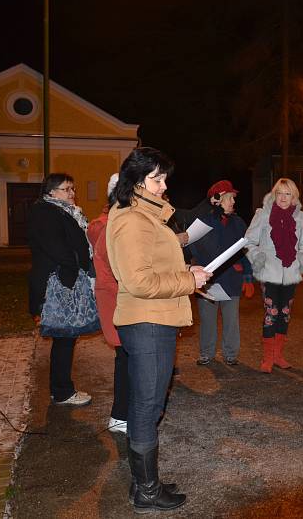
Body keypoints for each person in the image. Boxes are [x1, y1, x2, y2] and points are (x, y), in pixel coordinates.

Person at [106, 147, 211, 513]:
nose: (164, 185)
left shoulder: (146, 216)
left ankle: (145, 482)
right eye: (157, 178)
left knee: (147, 402)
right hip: (147, 320)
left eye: (165, 178)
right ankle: (146, 491)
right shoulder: (133, 220)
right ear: (136, 181)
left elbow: (153, 267)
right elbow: (138, 281)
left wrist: (188, 276)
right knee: (148, 405)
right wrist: (187, 279)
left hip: (155, 318)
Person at [27, 173, 93, 407]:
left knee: (66, 337)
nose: (72, 193)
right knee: (64, 337)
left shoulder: (62, 210)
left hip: (65, 280)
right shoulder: (45, 212)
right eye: (67, 189)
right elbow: (56, 247)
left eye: (73, 188)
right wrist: (76, 265)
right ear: (51, 192)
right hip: (58, 284)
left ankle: (61, 389)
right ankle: (62, 391)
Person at [245, 177, 303, 373]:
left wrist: (301, 258)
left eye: (287, 193)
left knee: (284, 314)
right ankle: (267, 358)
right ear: (275, 195)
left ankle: (278, 355)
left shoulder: (299, 218)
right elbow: (248, 241)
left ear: (294, 197)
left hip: (290, 273)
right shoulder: (263, 215)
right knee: (271, 313)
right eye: (280, 193)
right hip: (269, 272)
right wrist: (258, 257)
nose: (283, 197)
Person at [187, 180, 254, 366]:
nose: (233, 201)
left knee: (231, 320)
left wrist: (248, 277)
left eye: (233, 198)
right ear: (217, 200)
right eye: (230, 198)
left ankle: (230, 354)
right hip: (207, 280)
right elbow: (191, 249)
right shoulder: (202, 223)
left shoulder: (238, 223)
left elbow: (245, 251)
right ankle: (206, 353)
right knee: (207, 320)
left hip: (232, 279)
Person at [87, 173, 128, 433]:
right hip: (118, 301)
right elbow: (115, 271)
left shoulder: (113, 223)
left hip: (121, 299)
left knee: (126, 357)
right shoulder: (106, 226)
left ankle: (123, 413)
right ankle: (120, 415)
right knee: (125, 358)